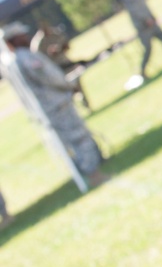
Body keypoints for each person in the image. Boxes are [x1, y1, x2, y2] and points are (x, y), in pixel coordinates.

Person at [1, 21, 106, 187]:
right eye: (22, 35)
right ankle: (94, 173)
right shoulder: (25, 58)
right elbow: (50, 78)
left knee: (69, 142)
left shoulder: (9, 63)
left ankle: (88, 169)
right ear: (14, 39)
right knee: (78, 137)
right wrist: (69, 86)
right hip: (56, 106)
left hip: (44, 110)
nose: (26, 37)